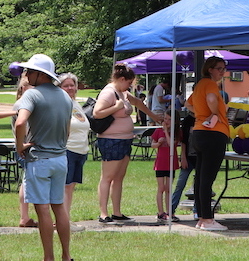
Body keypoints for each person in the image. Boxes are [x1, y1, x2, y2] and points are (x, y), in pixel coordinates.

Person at [14, 54, 73, 261]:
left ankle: (49, 257)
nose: (26, 74)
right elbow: (67, 131)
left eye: (29, 71)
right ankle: (67, 256)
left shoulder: (32, 95)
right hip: (60, 158)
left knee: (42, 210)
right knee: (60, 207)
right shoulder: (65, 96)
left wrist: (20, 145)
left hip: (39, 160)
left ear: (40, 74)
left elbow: (20, 123)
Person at [94, 63, 162, 224]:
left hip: (125, 139)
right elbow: (97, 113)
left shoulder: (122, 92)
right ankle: (103, 213)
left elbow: (138, 102)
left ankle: (117, 212)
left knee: (119, 177)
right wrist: (115, 107)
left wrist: (152, 115)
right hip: (111, 140)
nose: (130, 87)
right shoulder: (109, 93)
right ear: (121, 79)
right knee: (108, 177)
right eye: (128, 83)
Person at [189, 56, 230, 231]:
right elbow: (212, 99)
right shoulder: (211, 84)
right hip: (213, 134)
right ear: (210, 69)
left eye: (224, 68)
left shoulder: (199, 85)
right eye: (219, 68)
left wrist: (202, 114)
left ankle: (201, 218)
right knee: (207, 179)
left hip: (199, 132)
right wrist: (215, 114)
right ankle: (207, 219)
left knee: (200, 178)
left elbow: (187, 104)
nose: (222, 72)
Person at [58, 72, 90, 232]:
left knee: (70, 187)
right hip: (67, 150)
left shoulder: (74, 104)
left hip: (80, 150)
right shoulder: (60, 104)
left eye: (72, 85)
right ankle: (62, 223)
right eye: (66, 85)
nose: (70, 88)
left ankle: (66, 221)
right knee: (65, 187)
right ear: (59, 87)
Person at [11, 75, 36, 228]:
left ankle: (25, 216)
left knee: (27, 181)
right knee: (27, 182)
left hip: (25, 146)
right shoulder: (22, 104)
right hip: (25, 147)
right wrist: (24, 145)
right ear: (23, 88)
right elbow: (21, 127)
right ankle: (24, 217)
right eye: (29, 85)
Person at [152, 111, 182, 222]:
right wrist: (158, 143)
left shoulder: (176, 132)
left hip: (171, 163)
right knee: (161, 188)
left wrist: (166, 132)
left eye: (169, 119)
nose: (166, 121)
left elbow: (171, 144)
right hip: (160, 163)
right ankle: (160, 212)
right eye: (165, 119)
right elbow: (152, 145)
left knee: (169, 188)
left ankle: (170, 212)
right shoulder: (158, 131)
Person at [171, 108, 196, 216]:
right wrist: (183, 157)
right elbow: (184, 141)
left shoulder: (204, 118)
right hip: (189, 157)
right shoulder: (187, 120)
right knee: (180, 184)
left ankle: (198, 210)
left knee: (199, 186)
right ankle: (171, 209)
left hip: (201, 158)